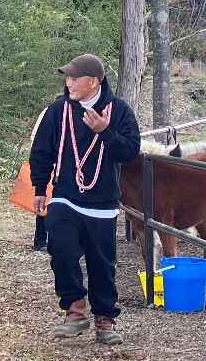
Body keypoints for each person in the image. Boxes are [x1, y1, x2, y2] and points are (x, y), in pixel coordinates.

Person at [29, 54, 140, 344]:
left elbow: (129, 152)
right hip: (65, 197)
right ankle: (75, 311)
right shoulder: (58, 110)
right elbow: (41, 151)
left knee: (101, 263)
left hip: (102, 203)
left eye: (74, 78)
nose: (68, 83)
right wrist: (39, 188)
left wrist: (105, 131)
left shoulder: (119, 111)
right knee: (61, 250)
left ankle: (105, 318)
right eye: (67, 77)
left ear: (93, 82)